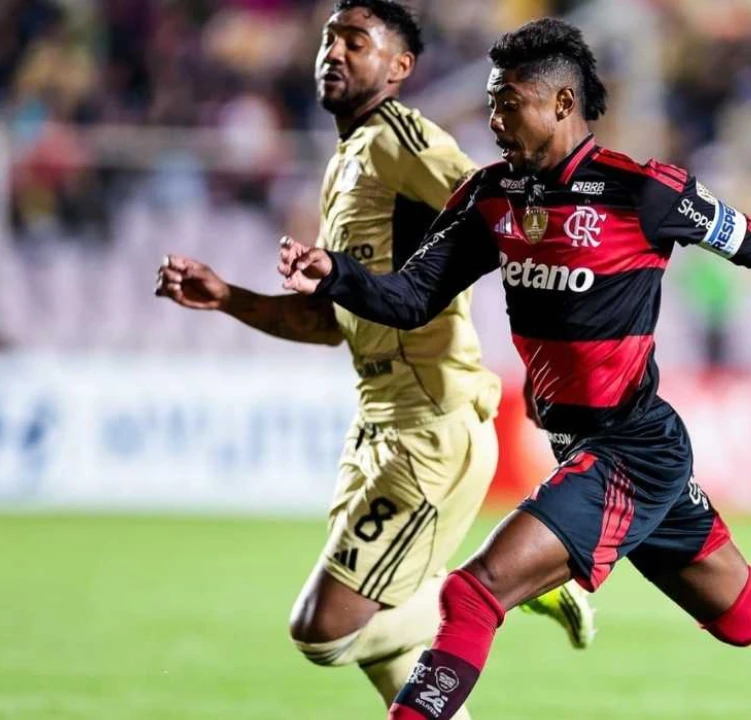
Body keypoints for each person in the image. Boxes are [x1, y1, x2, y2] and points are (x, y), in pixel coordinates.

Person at [276, 19, 751, 719]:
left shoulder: (643, 192)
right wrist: (335, 274)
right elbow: (412, 298)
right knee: (750, 612)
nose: (493, 118)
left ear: (561, 101)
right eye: (490, 102)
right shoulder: (493, 196)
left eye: (508, 101)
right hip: (594, 450)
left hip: (631, 451)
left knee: (473, 593)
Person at [154, 2, 594, 712]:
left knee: (325, 631)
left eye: (355, 41)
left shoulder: (402, 139)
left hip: (430, 425)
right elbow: (332, 322)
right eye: (328, 39)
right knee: (395, 659)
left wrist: (555, 348)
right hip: (378, 425)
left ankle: (504, 587)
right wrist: (228, 296)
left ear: (399, 67)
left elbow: (504, 215)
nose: (333, 51)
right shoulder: (347, 165)